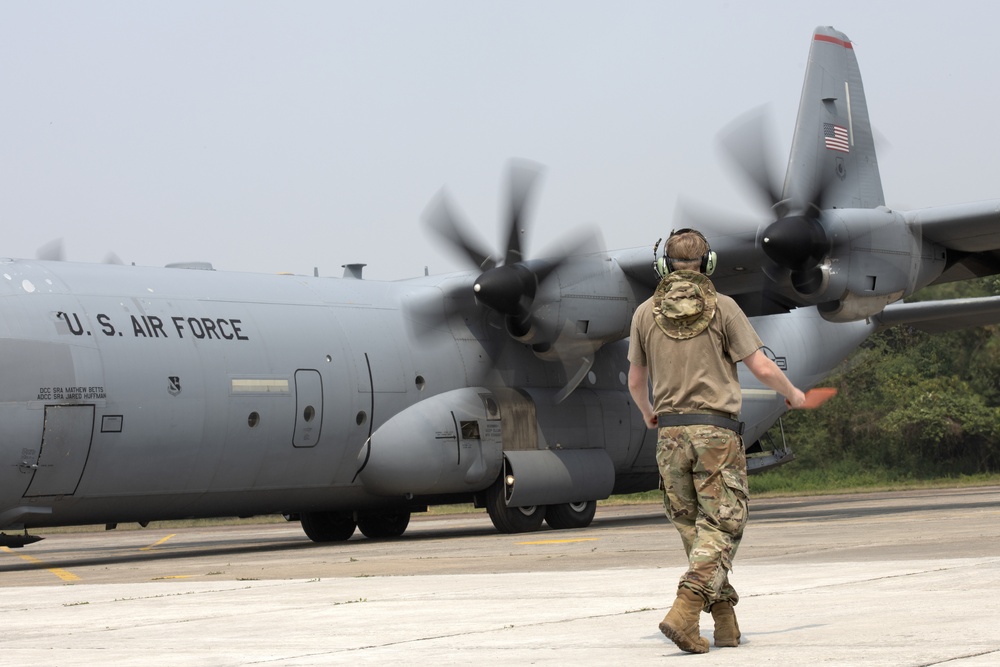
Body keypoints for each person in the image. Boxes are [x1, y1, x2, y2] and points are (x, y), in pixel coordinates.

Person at [627, 228, 806, 654]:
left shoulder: (643, 314)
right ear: (708, 264)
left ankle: (725, 623)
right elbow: (761, 367)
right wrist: (792, 393)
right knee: (724, 526)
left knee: (697, 532)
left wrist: (647, 412)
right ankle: (684, 610)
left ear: (663, 266)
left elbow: (636, 380)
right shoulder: (724, 308)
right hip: (715, 434)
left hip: (670, 435)